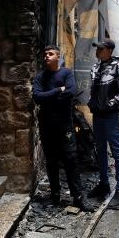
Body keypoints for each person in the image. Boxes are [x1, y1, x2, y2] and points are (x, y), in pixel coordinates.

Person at [32, 45, 89, 211]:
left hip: (65, 125)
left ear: (58, 57)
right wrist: (58, 90)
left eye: (50, 54)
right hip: (47, 125)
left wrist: (49, 97)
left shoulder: (66, 73)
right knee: (51, 161)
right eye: (45, 54)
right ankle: (55, 196)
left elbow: (71, 92)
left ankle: (78, 197)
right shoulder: (40, 77)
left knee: (71, 159)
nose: (46, 57)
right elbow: (37, 97)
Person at [87, 38, 119, 207]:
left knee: (116, 150)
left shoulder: (117, 66)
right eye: (97, 48)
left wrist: (109, 105)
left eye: (101, 48)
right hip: (98, 115)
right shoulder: (95, 67)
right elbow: (94, 90)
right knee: (100, 150)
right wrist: (93, 103)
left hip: (110, 115)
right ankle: (104, 184)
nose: (97, 51)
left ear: (109, 50)